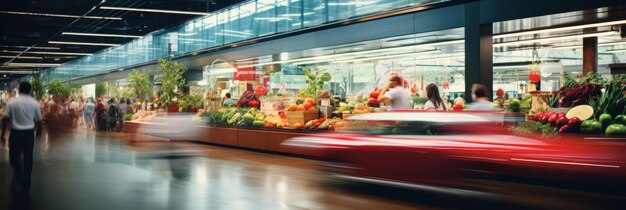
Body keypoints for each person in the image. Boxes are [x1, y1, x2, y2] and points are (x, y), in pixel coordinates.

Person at [1, 82, 42, 192]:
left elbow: (5, 118)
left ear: (19, 89)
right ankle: (27, 182)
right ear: (30, 90)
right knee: (28, 158)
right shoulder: (34, 102)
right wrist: (39, 131)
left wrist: (2, 134)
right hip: (28, 134)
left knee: (14, 158)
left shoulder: (12, 102)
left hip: (15, 134)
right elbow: (39, 119)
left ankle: (19, 175)